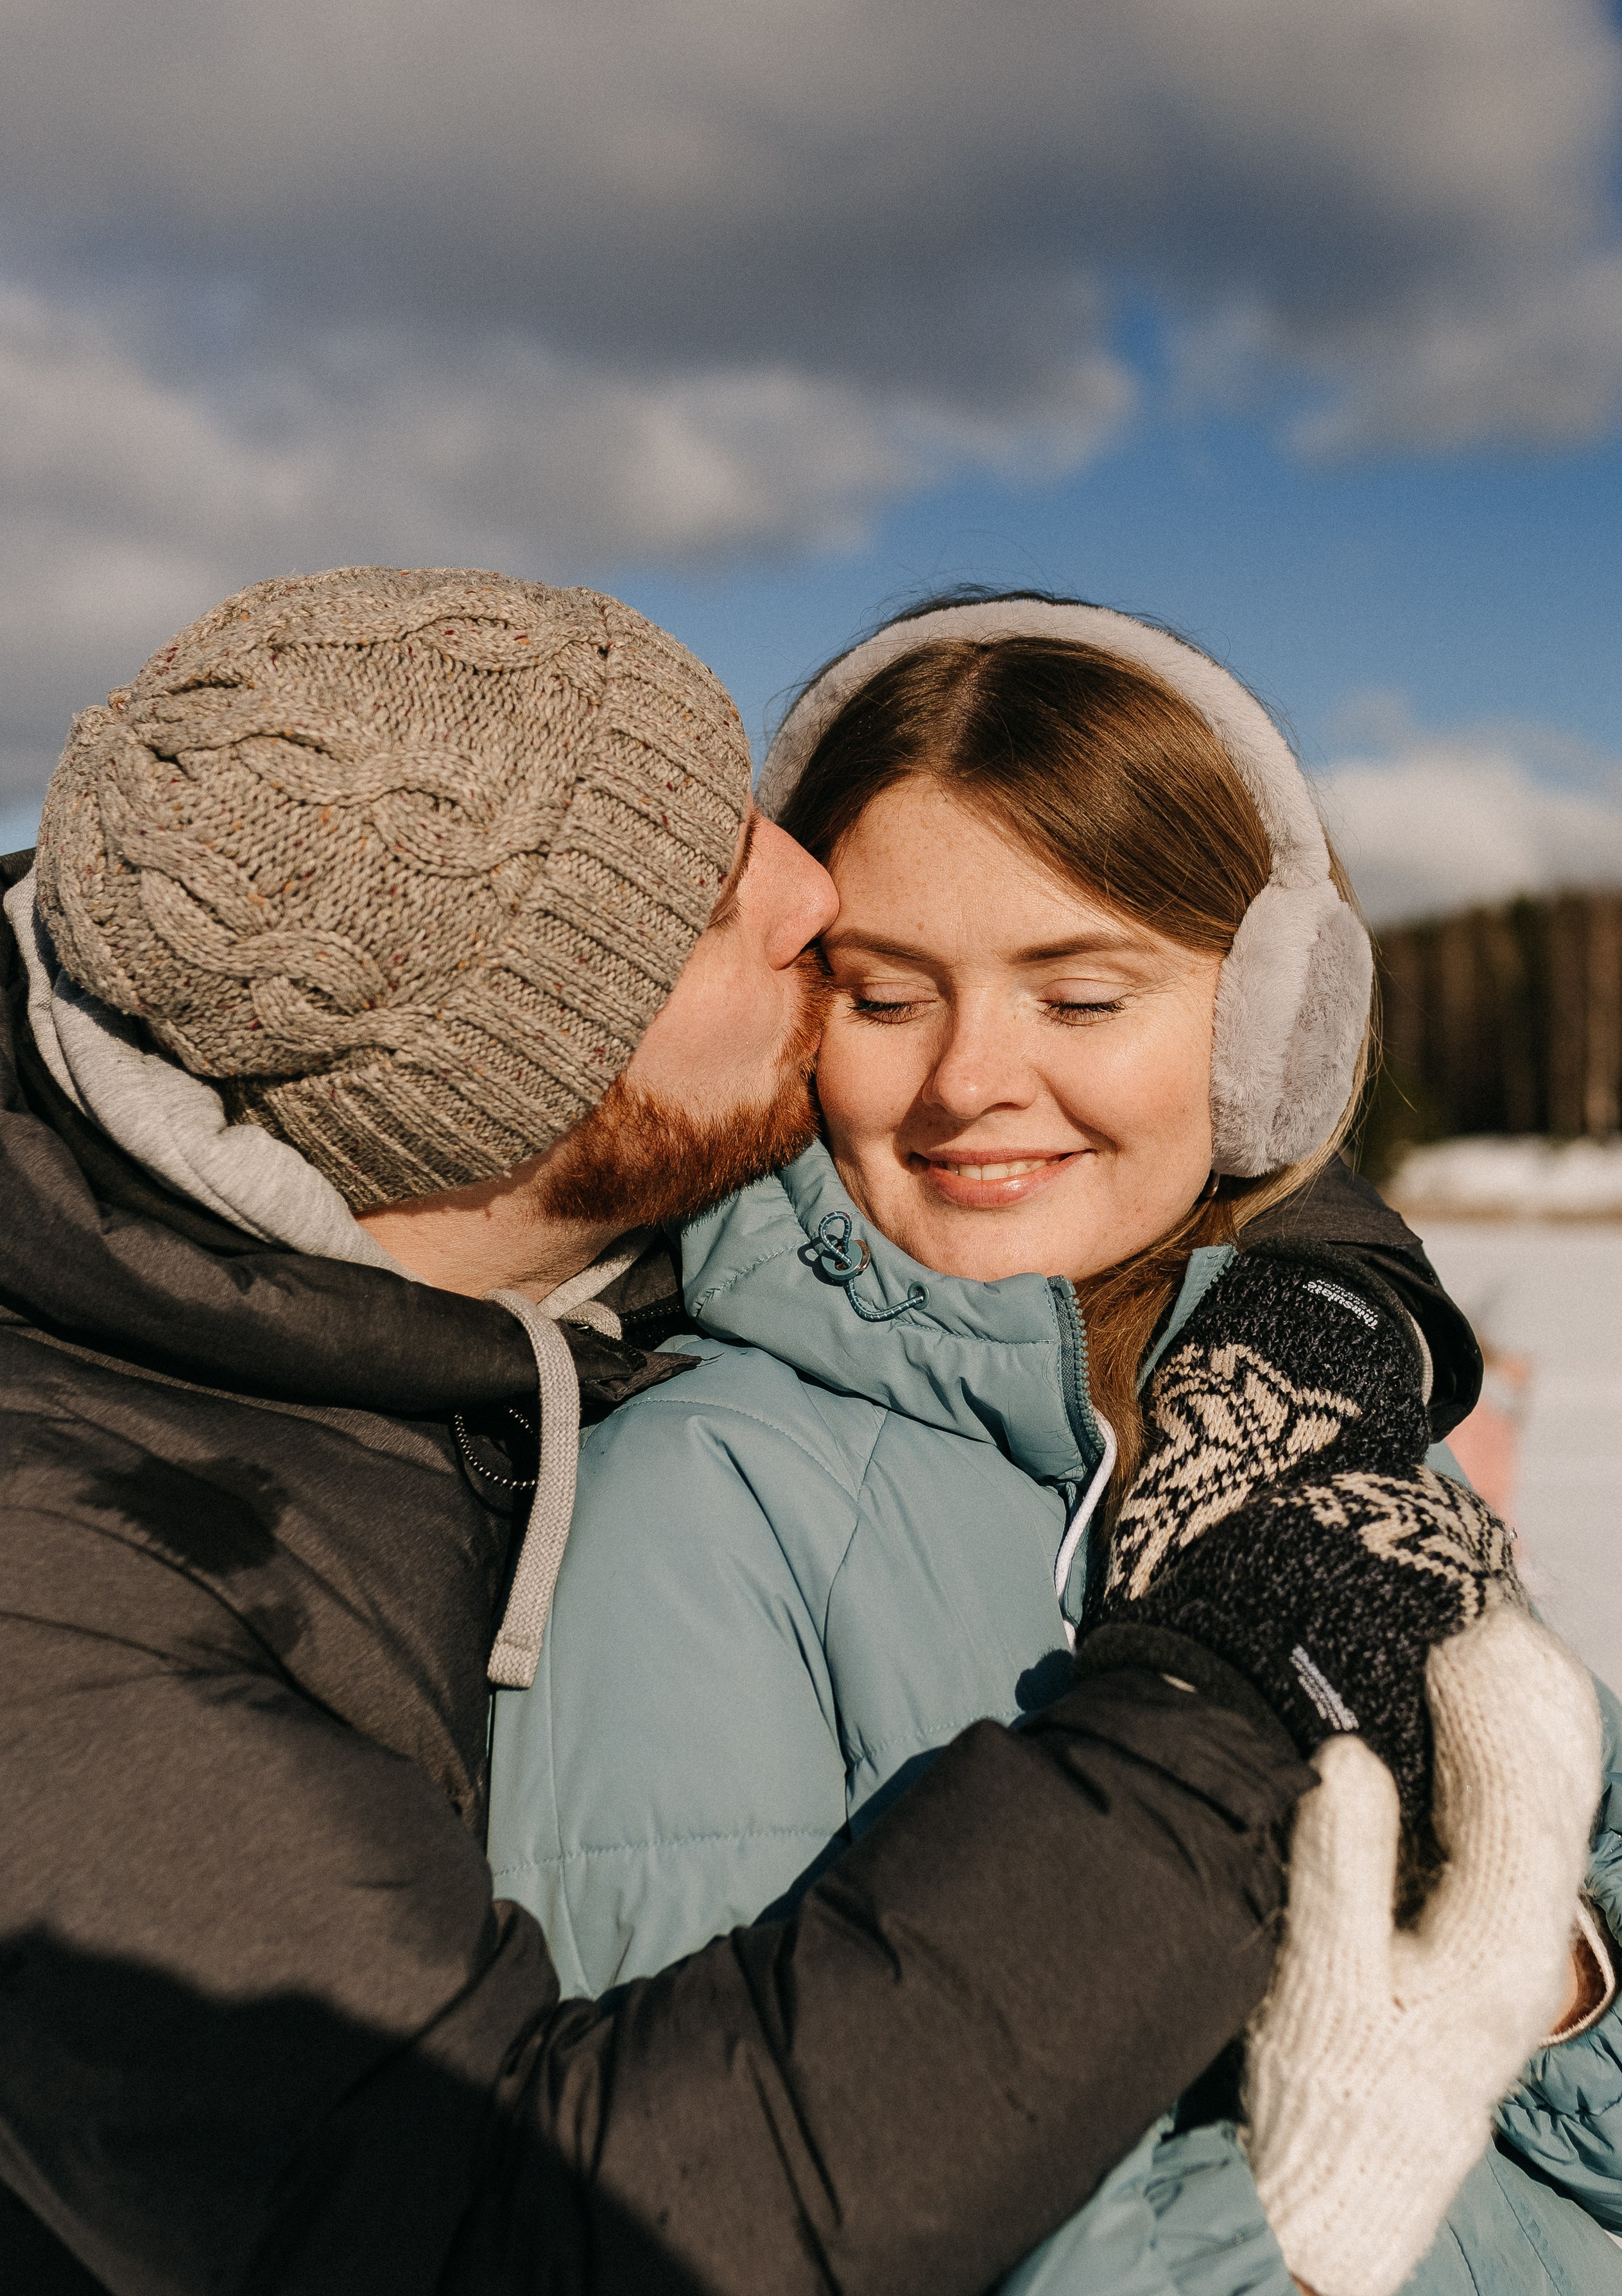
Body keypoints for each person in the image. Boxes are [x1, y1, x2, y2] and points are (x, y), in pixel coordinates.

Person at [0, 564, 1344, 2296]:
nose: (807, 883)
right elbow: (526, 2236)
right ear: (524, 1088)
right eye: (708, 899)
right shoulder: (60, 1596)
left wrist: (1322, 1302)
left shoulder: (571, 1277)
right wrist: (1222, 1713)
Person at [488, 594, 1622, 2296]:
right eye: (888, 997)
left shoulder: (1313, 1417)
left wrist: (1535, 1973)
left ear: (1267, 1030)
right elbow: (725, 2224)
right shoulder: (702, 1511)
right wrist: (1296, 2221)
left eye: (1083, 997)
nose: (971, 1081)